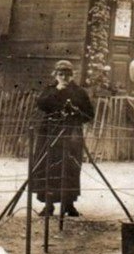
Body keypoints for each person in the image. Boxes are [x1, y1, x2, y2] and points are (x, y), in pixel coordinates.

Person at [31, 60, 95, 217]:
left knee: (71, 167)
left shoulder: (79, 92)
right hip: (49, 134)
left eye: (67, 74)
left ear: (73, 75)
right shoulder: (50, 90)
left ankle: (69, 204)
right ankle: (49, 205)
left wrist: (76, 114)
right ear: (55, 75)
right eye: (61, 74)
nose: (64, 77)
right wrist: (56, 91)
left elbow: (89, 115)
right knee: (48, 166)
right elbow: (41, 105)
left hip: (71, 134)